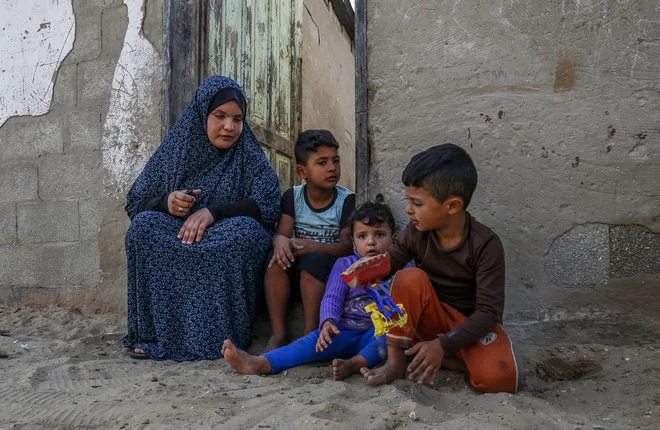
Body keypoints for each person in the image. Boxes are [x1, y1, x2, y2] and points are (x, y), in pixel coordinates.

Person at [122, 76, 281, 361]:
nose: (229, 127)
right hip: (179, 230)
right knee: (142, 228)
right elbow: (135, 202)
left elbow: (268, 206)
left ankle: (220, 341)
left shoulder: (248, 155)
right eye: (219, 116)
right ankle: (153, 336)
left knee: (246, 232)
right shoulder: (175, 151)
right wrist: (165, 202)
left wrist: (214, 212)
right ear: (201, 114)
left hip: (225, 233)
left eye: (237, 118)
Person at [361, 144, 522, 393]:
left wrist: (443, 344)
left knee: (502, 379)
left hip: (468, 327)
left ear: (452, 206)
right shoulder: (415, 233)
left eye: (417, 203)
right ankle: (396, 362)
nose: (408, 209)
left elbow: (489, 313)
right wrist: (366, 270)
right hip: (430, 319)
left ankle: (443, 356)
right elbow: (390, 262)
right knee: (409, 278)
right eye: (408, 200)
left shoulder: (485, 244)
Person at [223, 196, 405, 380]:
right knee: (308, 344)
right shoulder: (345, 264)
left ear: (394, 238)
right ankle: (260, 363)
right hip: (343, 329)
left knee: (386, 339)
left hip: (376, 332)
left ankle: (354, 364)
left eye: (379, 235)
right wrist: (327, 322)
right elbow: (332, 297)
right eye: (362, 236)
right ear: (353, 242)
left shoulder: (401, 267)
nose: (371, 242)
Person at [263, 130, 355, 351]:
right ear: (302, 171)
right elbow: (282, 234)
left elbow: (346, 248)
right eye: (322, 163)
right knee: (276, 260)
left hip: (327, 271)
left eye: (335, 161)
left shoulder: (346, 200)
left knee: (312, 261)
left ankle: (311, 334)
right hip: (298, 269)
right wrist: (280, 242)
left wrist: (310, 246)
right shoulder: (292, 197)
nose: (332, 168)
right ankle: (279, 334)